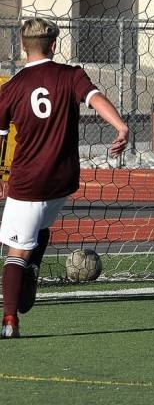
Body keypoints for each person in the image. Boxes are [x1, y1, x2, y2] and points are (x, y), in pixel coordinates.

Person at [0, 18, 129, 338]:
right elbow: (96, 99)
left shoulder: (12, 88)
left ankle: (9, 321)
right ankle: (32, 266)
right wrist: (121, 126)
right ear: (54, 46)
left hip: (28, 182)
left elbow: (1, 139)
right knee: (41, 224)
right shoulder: (71, 75)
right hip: (64, 180)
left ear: (21, 47)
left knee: (14, 252)